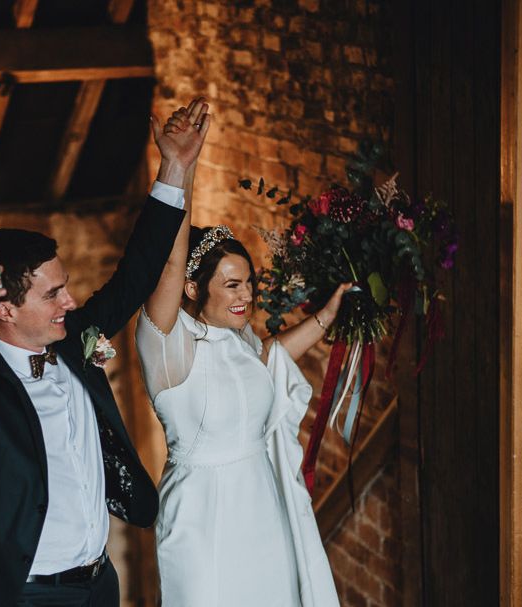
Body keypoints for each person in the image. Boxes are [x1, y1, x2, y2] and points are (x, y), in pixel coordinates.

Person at [0, 99, 209, 607]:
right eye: (53, 295)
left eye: (65, 287)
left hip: (100, 583)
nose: (70, 302)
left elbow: (137, 271)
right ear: (4, 308)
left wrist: (176, 167)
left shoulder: (74, 339)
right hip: (25, 594)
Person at [135, 106, 344, 606]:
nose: (245, 296)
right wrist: (183, 169)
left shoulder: (239, 338)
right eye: (231, 285)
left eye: (248, 282)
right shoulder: (167, 344)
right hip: (201, 519)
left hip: (262, 508)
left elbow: (269, 358)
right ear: (193, 286)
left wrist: (328, 317)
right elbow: (168, 260)